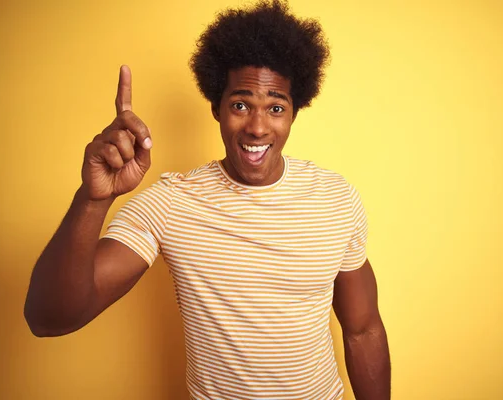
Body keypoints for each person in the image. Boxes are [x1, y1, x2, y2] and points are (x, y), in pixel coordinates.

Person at [24, 1, 391, 398]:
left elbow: (363, 327)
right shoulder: (171, 204)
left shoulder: (335, 198)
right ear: (216, 108)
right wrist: (92, 199)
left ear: (293, 114)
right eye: (240, 105)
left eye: (275, 107)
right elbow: (49, 318)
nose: (257, 126)